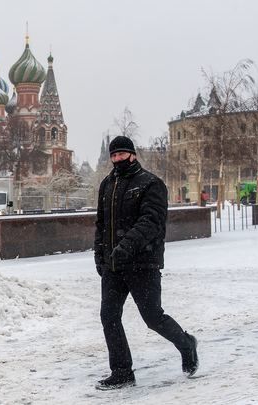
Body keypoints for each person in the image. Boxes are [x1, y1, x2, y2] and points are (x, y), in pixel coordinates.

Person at [94, 136, 198, 390]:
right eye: (114, 155)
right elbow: (101, 225)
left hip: (143, 263)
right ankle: (121, 371)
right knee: (109, 316)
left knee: (153, 318)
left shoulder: (150, 184)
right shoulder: (107, 184)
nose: (117, 159)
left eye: (122, 154)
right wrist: (100, 256)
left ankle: (186, 344)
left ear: (133, 155)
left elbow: (151, 222)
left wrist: (126, 246)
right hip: (114, 265)